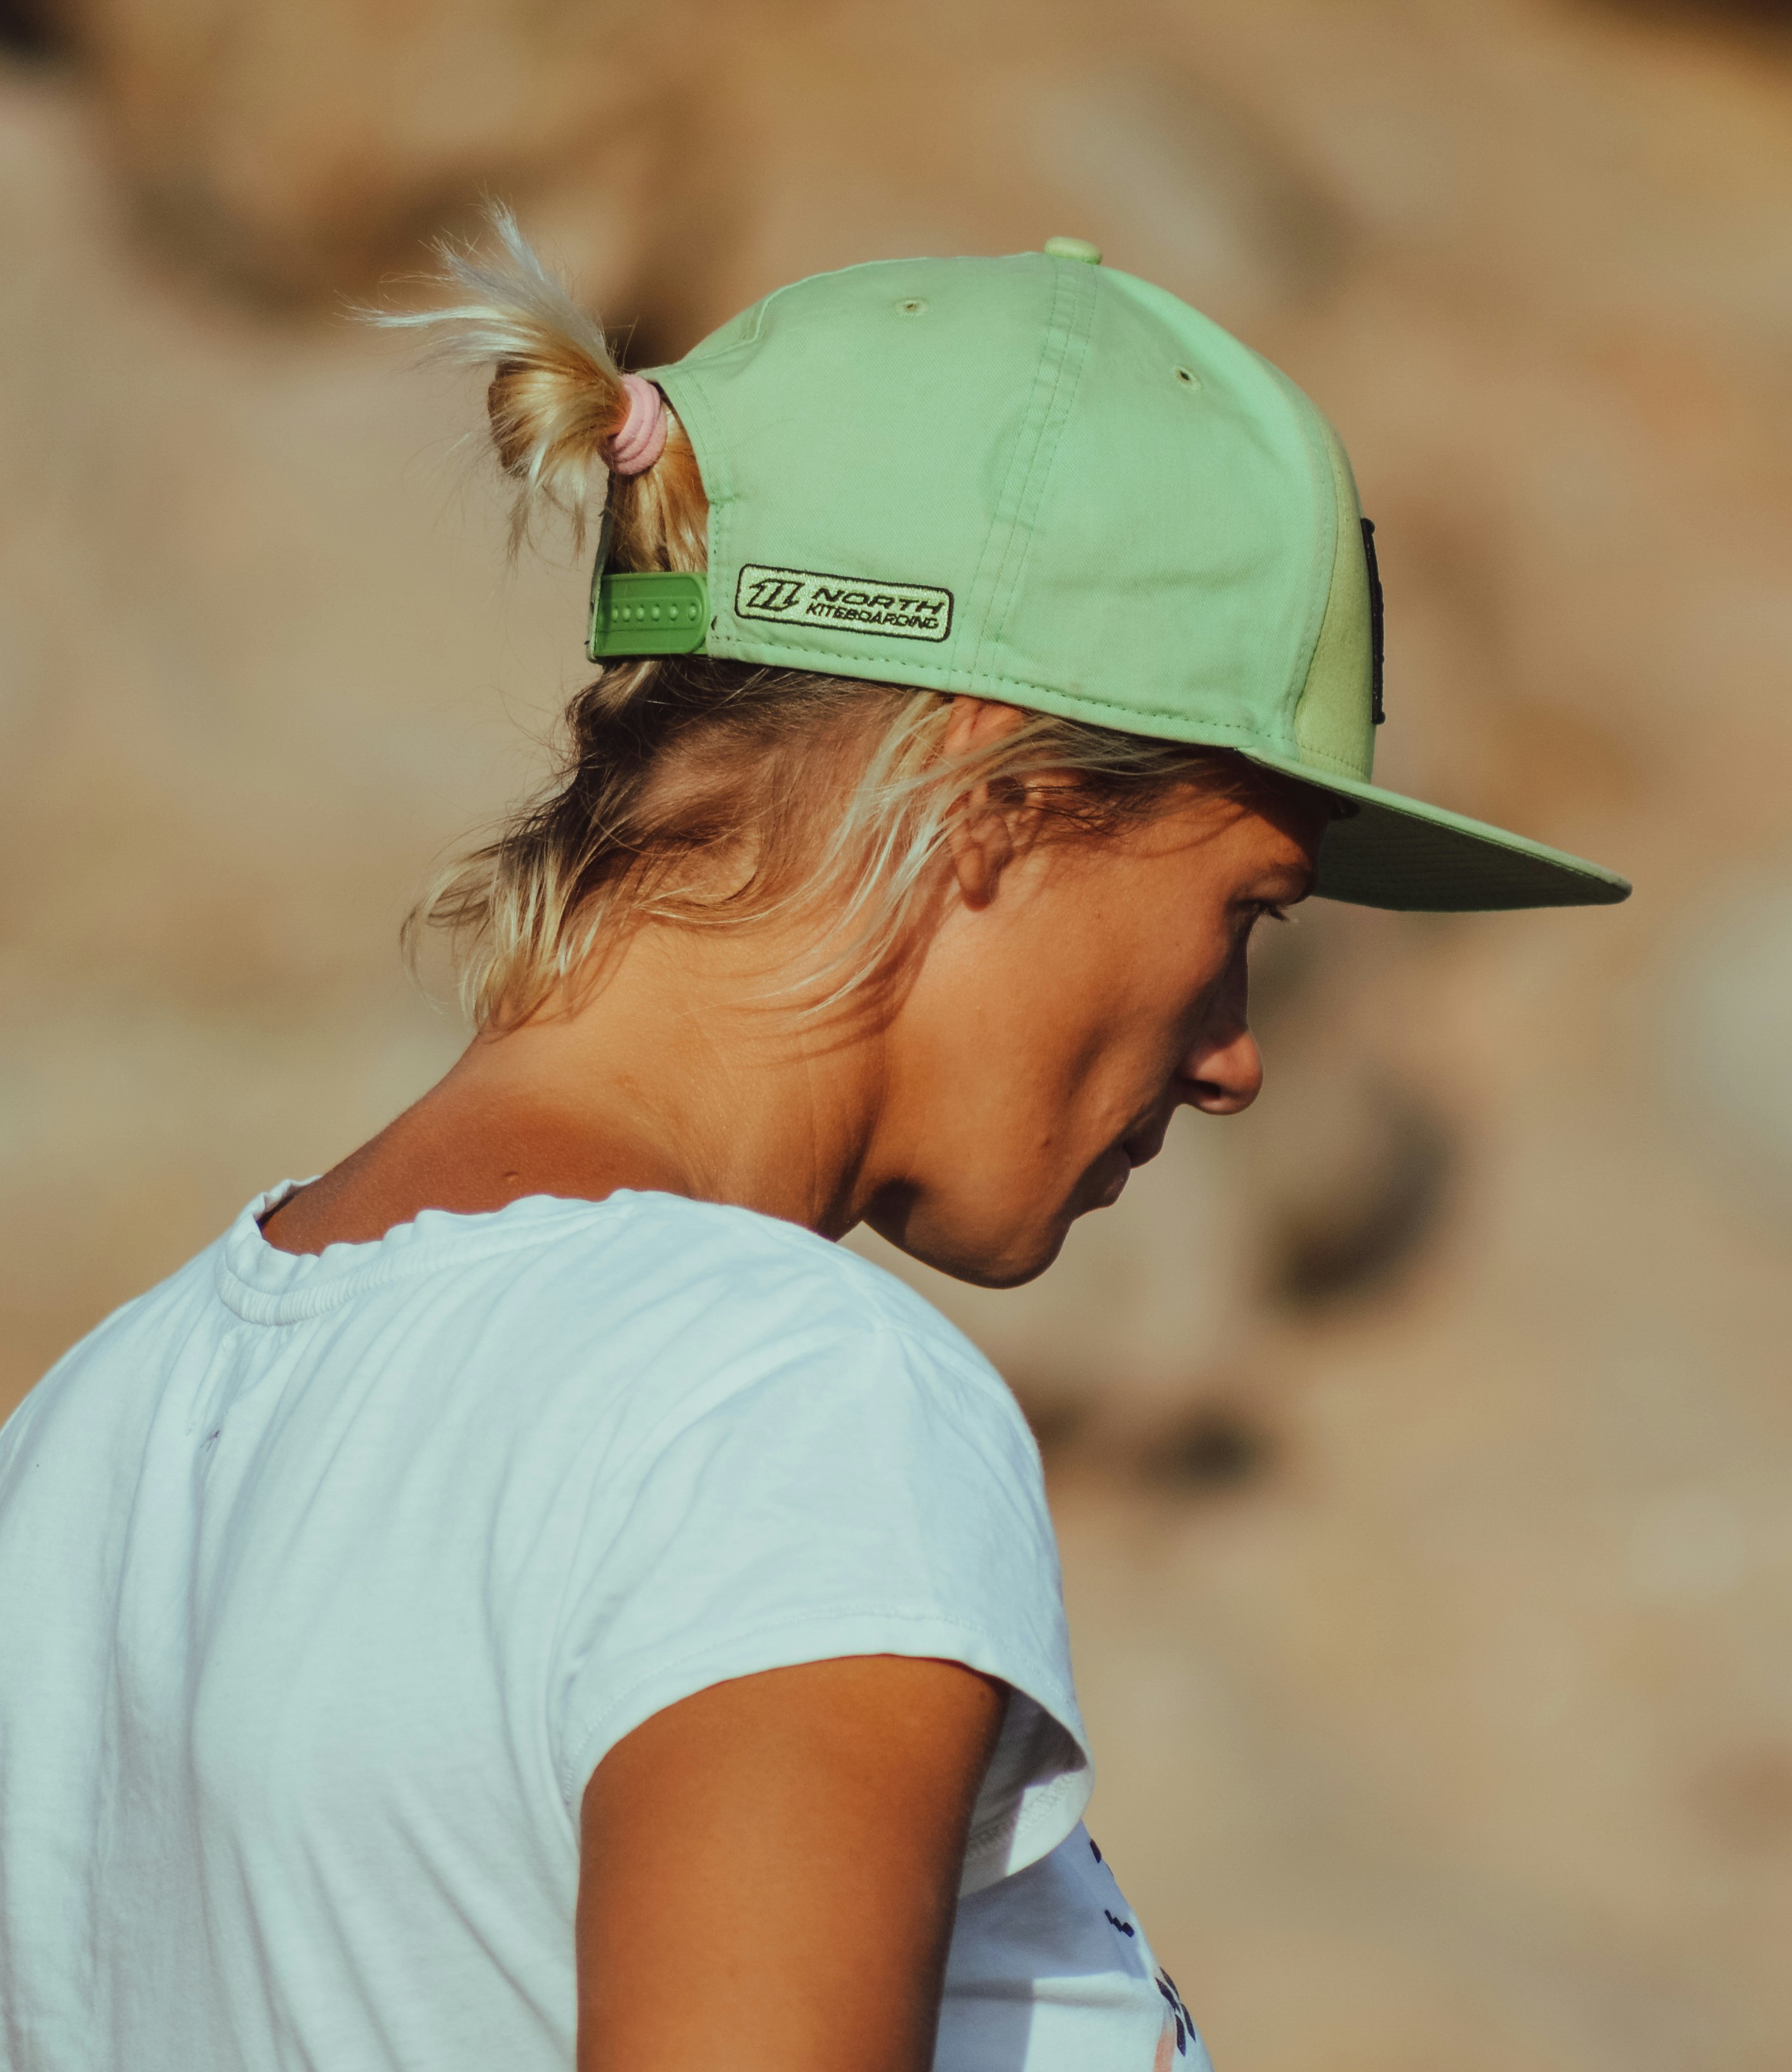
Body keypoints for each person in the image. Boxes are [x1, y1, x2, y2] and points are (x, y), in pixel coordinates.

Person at [0, 213, 1628, 2072]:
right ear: (991, 801)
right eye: (1249, 907)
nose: (1234, 1058)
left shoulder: (99, 1432)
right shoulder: (778, 1399)